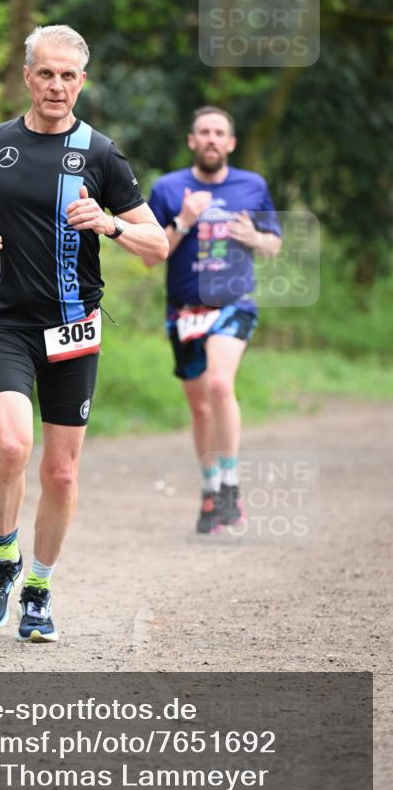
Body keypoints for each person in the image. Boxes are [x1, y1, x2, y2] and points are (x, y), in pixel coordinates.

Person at [0, 25, 168, 641]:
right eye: (46, 73)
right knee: (14, 446)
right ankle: (4, 557)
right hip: (4, 321)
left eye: (69, 75)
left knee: (62, 474)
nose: (57, 85)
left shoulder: (101, 154)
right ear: (27, 76)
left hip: (73, 326)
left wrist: (109, 224)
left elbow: (158, 246)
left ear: (83, 82)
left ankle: (38, 589)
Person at [146, 106, 282, 534]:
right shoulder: (168, 189)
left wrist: (254, 237)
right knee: (200, 408)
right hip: (185, 311)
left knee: (221, 385)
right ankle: (210, 492)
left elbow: (273, 245)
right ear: (192, 141)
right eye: (203, 132)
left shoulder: (252, 186)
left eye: (218, 132)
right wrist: (184, 221)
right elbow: (151, 254)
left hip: (234, 304)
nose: (210, 139)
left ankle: (230, 487)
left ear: (230, 143)